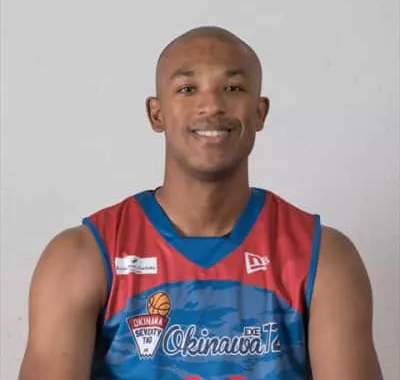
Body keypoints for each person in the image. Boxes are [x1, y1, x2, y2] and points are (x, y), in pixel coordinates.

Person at [18, 26, 383, 380]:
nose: (211, 105)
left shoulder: (324, 257)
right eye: (187, 89)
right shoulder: (81, 256)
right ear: (156, 114)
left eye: (232, 88)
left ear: (259, 112)